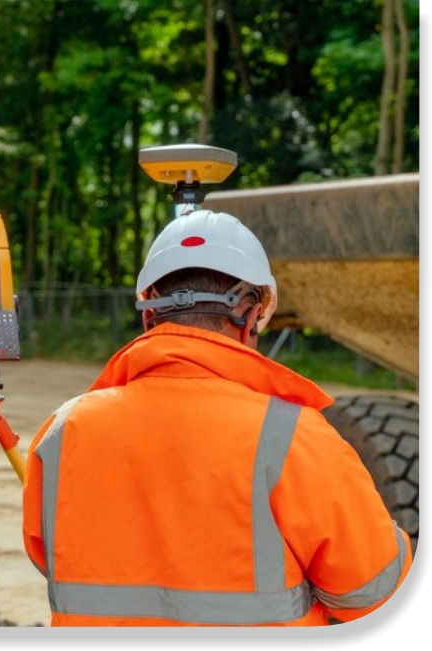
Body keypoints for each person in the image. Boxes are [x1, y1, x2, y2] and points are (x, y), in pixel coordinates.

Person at [22, 209, 412, 627]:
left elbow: (53, 557)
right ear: (247, 315)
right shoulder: (293, 437)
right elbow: (380, 596)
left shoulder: (64, 432)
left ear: (149, 315)